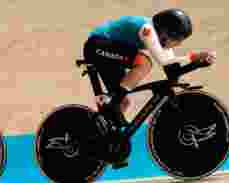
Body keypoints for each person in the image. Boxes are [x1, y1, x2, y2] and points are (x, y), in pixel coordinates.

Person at [84, 9, 215, 126]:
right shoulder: (147, 30)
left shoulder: (160, 39)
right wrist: (193, 57)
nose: (179, 44)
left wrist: (199, 62)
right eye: (178, 38)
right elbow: (164, 61)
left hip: (111, 50)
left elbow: (172, 67)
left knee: (123, 102)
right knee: (144, 63)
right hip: (97, 44)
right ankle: (111, 99)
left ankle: (101, 130)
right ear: (165, 32)